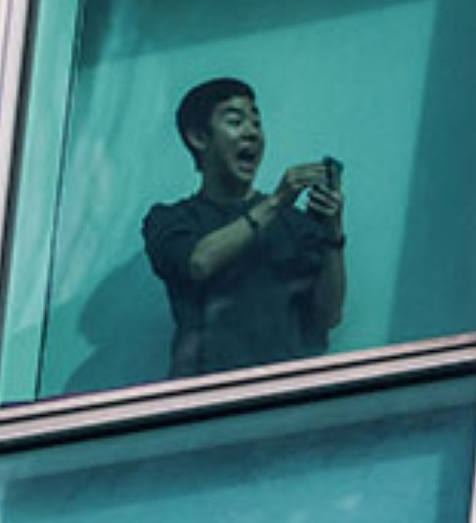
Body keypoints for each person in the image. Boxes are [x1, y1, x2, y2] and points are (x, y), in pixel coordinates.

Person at [142, 78, 346, 379]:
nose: (252, 133)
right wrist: (275, 202)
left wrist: (333, 234)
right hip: (205, 396)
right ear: (198, 137)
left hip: (287, 392)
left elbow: (328, 316)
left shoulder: (293, 223)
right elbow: (199, 262)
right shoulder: (170, 219)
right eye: (236, 121)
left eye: (257, 123)